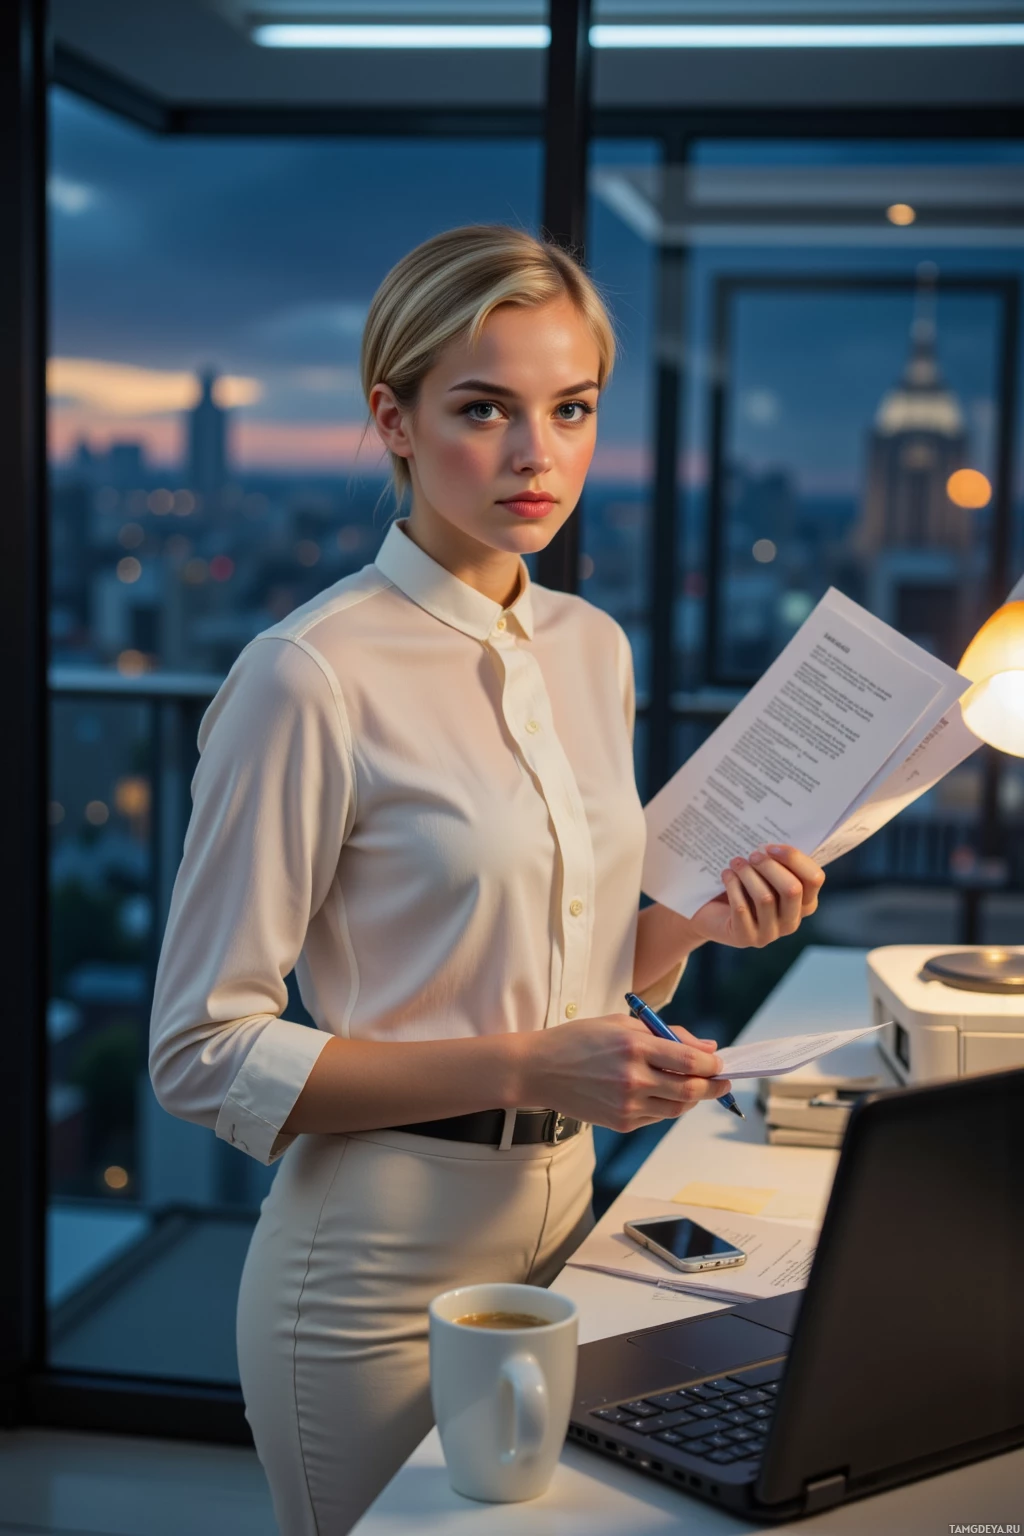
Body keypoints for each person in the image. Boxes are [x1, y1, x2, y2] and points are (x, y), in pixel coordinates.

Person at [148, 223, 825, 1534]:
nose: (537, 455)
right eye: (484, 409)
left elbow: (558, 966)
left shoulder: (591, 649)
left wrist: (691, 925)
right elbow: (199, 1050)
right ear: (391, 420)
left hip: (570, 1214)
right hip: (370, 1267)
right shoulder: (310, 675)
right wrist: (530, 1067)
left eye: (570, 409)